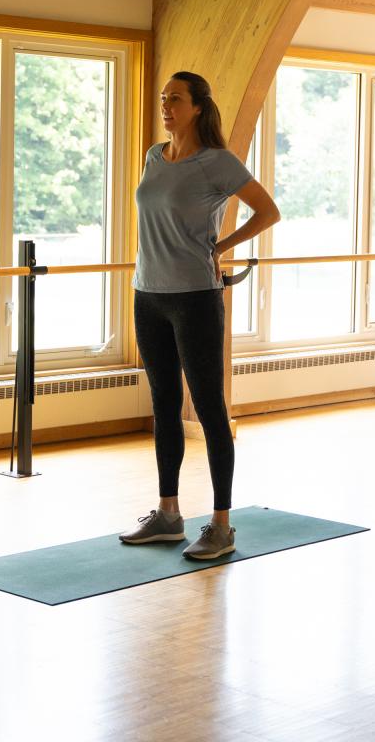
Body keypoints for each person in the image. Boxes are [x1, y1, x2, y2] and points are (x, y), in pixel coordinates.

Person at [119, 72, 280, 560]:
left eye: (176, 99)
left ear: (197, 107)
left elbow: (267, 211)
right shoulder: (154, 155)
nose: (166, 106)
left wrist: (222, 247)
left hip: (195, 298)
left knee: (209, 409)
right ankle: (169, 514)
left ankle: (221, 525)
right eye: (164, 98)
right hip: (148, 294)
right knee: (164, 404)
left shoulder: (217, 164)